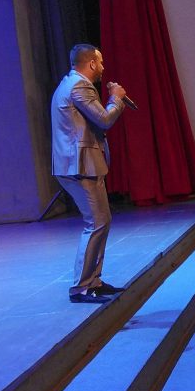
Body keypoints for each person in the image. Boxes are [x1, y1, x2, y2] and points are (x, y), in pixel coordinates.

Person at [51, 43, 129, 303]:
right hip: (80, 165)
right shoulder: (80, 86)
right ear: (92, 63)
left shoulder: (70, 83)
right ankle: (82, 287)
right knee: (95, 223)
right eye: (101, 62)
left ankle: (93, 281)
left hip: (80, 164)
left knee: (101, 221)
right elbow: (104, 119)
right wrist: (116, 98)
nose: (104, 67)